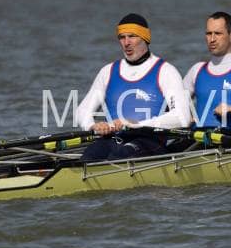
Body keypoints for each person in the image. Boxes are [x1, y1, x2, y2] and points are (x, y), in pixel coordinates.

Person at [75, 14, 191, 161]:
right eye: (122, 37)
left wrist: (136, 124)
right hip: (114, 139)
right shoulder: (108, 72)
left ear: (145, 38)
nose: (126, 43)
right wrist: (93, 126)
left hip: (149, 142)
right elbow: (82, 110)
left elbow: (182, 118)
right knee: (90, 155)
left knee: (121, 155)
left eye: (132, 36)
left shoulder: (166, 71)